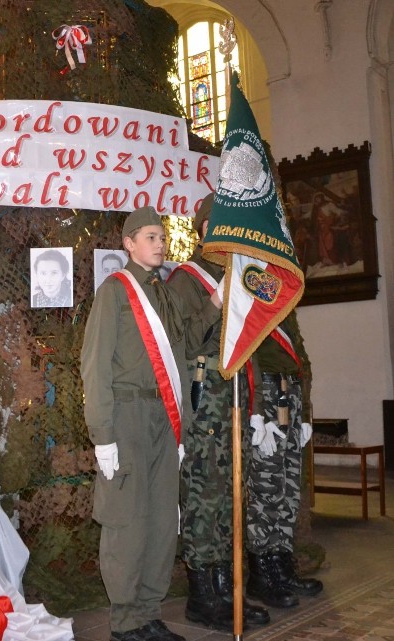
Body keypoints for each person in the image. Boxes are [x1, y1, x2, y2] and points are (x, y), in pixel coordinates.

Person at [81, 206, 222, 641]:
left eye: (162, 237)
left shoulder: (164, 293)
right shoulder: (115, 292)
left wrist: (217, 304)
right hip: (127, 418)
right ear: (128, 244)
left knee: (163, 519)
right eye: (149, 237)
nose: (159, 244)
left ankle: (148, 611)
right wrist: (103, 436)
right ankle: (126, 622)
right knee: (128, 520)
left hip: (164, 417)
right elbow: (95, 366)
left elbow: (183, 348)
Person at [167, 194, 269, 631]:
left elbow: (254, 342)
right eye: (220, 225)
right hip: (205, 404)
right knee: (204, 498)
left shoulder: (241, 275)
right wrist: (215, 302)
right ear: (204, 229)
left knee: (232, 496)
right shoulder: (183, 281)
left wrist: (259, 406)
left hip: (236, 399)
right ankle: (203, 595)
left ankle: (227, 586)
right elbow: (182, 343)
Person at [245, 311, 323, 609]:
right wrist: (255, 411)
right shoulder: (248, 287)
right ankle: (262, 575)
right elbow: (245, 354)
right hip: (265, 391)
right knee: (267, 486)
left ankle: (282, 565)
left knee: (289, 487)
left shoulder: (282, 296)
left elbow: (298, 356)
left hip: (288, 390)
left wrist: (302, 409)